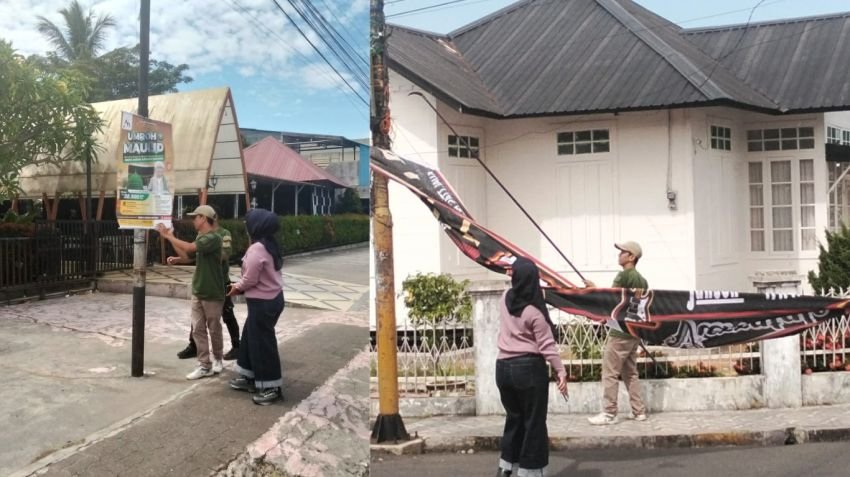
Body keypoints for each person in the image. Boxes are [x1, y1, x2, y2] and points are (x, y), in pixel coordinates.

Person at [495, 256, 568, 477]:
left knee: (514, 419)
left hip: (503, 368)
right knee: (534, 423)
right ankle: (530, 472)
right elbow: (547, 347)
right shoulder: (534, 312)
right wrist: (560, 371)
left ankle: (507, 467)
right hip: (528, 369)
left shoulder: (505, 298)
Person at [157, 205, 224, 380]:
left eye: (195, 217)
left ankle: (217, 357)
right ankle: (204, 365)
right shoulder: (201, 237)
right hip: (199, 289)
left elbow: (189, 248)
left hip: (212, 291)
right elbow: (188, 255)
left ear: (203, 218)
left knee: (214, 328)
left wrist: (168, 235)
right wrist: (176, 252)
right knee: (198, 329)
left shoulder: (213, 238)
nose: (193, 220)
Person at [584, 241, 649, 425]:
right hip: (634, 331)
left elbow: (611, 300)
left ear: (631, 257)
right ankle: (639, 411)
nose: (619, 255)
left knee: (609, 372)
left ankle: (609, 413)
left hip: (619, 332)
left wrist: (593, 289)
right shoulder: (642, 280)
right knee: (630, 373)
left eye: (622, 252)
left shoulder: (623, 276)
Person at [226, 208, 285, 405]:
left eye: (247, 223)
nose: (245, 226)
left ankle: (271, 387)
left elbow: (250, 279)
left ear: (256, 226)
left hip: (263, 303)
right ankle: (249, 376)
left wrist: (236, 288)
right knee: (251, 338)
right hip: (272, 299)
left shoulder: (257, 248)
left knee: (262, 343)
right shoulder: (269, 245)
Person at [174, 213, 241, 360]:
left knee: (226, 314)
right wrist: (179, 259)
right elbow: (194, 255)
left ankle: (237, 346)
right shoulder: (201, 235)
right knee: (197, 320)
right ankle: (194, 346)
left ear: (211, 217)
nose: (195, 220)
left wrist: (210, 249)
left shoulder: (223, 234)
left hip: (220, 281)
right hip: (203, 283)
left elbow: (224, 255)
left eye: (198, 217)